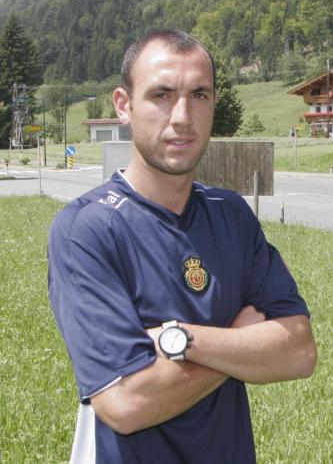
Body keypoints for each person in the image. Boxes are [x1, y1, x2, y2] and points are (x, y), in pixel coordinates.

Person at [47, 29, 317, 463]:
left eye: (199, 95)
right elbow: (126, 404)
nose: (182, 117)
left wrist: (179, 340)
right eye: (162, 95)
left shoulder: (231, 215)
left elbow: (299, 350)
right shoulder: (88, 230)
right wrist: (238, 342)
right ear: (124, 105)